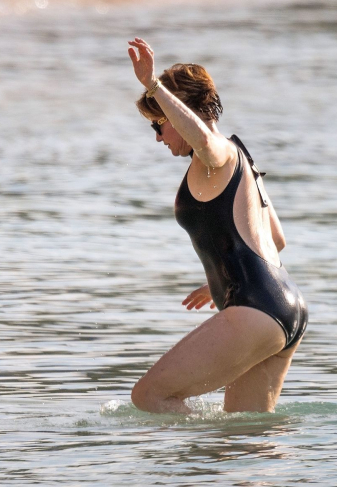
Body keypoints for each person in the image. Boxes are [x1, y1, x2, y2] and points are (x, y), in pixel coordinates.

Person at [127, 37, 307, 414]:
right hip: (286, 306)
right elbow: (276, 239)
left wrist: (153, 85)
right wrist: (222, 277)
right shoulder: (242, 158)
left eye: (159, 124)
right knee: (245, 443)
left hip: (256, 308)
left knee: (149, 397)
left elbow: (205, 141)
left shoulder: (218, 154)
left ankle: (195, 467)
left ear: (182, 112)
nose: (158, 137)